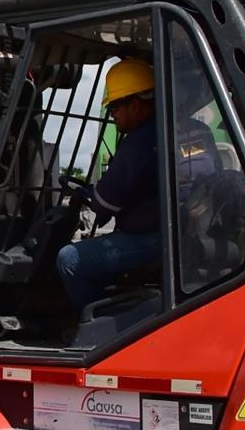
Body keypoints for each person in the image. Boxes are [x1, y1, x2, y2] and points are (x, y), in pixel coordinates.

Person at [56, 58, 160, 311]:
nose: (112, 115)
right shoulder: (187, 129)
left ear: (134, 104)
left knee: (69, 259)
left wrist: (86, 194)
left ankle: (104, 326)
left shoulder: (139, 142)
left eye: (114, 108)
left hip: (153, 240)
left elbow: (104, 203)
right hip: (183, 236)